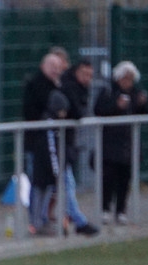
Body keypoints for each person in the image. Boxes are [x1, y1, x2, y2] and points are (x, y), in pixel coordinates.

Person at [93, 61, 148, 225]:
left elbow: (145, 114)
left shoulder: (136, 93)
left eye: (130, 79)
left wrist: (143, 104)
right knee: (108, 178)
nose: (127, 82)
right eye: (125, 78)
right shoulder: (108, 91)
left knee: (125, 179)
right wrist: (116, 106)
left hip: (128, 144)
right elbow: (99, 110)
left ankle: (121, 210)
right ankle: (105, 209)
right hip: (110, 144)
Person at [21, 48, 68, 234]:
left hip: (51, 144)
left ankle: (42, 219)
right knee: (37, 182)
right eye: (52, 66)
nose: (56, 69)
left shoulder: (58, 86)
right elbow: (32, 112)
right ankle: (35, 222)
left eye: (58, 66)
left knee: (48, 183)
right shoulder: (36, 85)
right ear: (43, 66)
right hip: (37, 143)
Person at [58, 59, 99, 236]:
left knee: (64, 184)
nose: (87, 78)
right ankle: (77, 221)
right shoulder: (68, 87)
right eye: (84, 74)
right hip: (56, 142)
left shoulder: (79, 88)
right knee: (64, 184)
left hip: (65, 142)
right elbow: (77, 111)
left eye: (90, 75)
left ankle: (66, 220)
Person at [28, 89, 69, 236]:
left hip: (45, 167)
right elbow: (51, 149)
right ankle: (37, 224)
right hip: (44, 168)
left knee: (45, 193)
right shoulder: (49, 125)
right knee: (40, 194)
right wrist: (55, 170)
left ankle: (41, 221)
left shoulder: (53, 124)